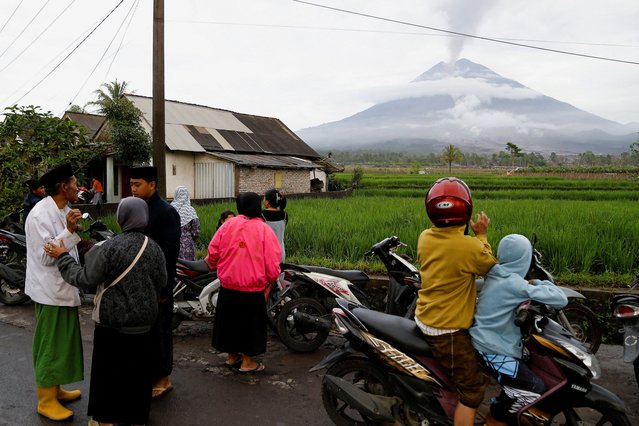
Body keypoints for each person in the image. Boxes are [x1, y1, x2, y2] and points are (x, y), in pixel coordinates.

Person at [45, 196, 168, 426]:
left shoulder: (109, 247)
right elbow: (162, 281)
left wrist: (62, 257)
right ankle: (136, 418)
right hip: (144, 325)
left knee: (109, 374)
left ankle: (105, 420)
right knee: (138, 375)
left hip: (112, 324)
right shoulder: (155, 248)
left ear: (121, 219)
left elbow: (84, 279)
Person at [414, 177, 497, 426]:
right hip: (447, 330)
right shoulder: (470, 246)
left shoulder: (425, 237)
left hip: (426, 315)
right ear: (467, 209)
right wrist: (481, 234)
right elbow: (488, 265)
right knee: (472, 392)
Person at [470, 234, 567, 426]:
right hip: (492, 349)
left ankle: (498, 411)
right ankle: (496, 418)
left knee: (521, 383)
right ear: (524, 258)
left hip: (487, 340)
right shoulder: (515, 283)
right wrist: (537, 283)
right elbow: (560, 298)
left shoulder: (495, 272)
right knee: (532, 388)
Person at [24, 163, 84, 421]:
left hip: (63, 287)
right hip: (50, 291)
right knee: (50, 344)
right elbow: (46, 257)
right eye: (74, 182)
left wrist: (73, 232)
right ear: (63, 187)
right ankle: (45, 400)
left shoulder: (62, 209)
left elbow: (65, 244)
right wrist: (69, 232)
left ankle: (56, 388)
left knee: (62, 343)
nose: (77, 186)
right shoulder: (39, 215)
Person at [206, 192, 281, 373]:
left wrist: (213, 263)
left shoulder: (227, 225)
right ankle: (247, 363)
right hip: (252, 288)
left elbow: (213, 252)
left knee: (230, 322)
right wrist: (272, 279)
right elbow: (272, 261)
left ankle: (232, 357)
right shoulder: (264, 230)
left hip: (228, 287)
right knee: (250, 325)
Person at [129, 165, 181, 398]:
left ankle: (164, 378)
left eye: (137, 184)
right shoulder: (136, 209)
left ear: (152, 185)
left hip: (158, 284)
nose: (133, 189)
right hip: (139, 284)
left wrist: (164, 288)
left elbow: (170, 255)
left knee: (160, 331)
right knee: (144, 333)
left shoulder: (165, 212)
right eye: (131, 184)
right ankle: (148, 374)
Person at [171, 185, 201, 260]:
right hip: (187, 245)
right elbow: (196, 231)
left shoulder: (170, 209)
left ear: (176, 194)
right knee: (188, 267)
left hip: (172, 244)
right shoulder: (190, 210)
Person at [262, 188, 288, 262]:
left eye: (264, 198)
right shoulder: (284, 215)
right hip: (281, 253)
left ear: (267, 202)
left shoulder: (262, 215)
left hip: (267, 254)